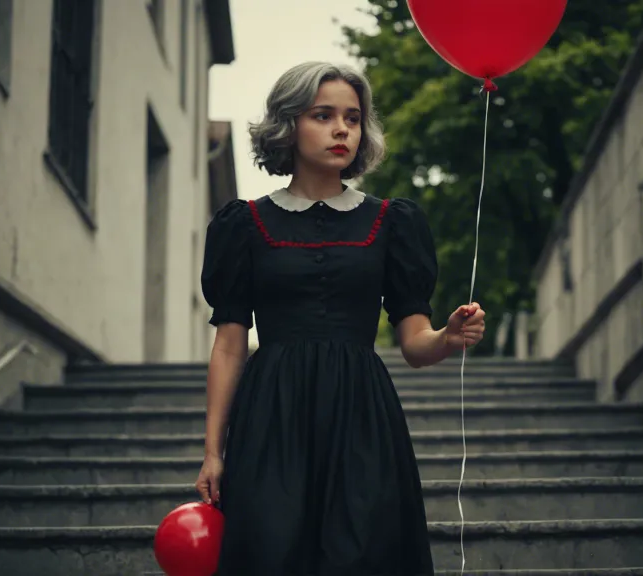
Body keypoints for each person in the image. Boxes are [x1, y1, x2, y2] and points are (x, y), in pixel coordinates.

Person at [195, 61, 487, 576]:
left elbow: (415, 343)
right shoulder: (245, 224)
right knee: (270, 551)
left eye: (352, 118)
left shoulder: (392, 221)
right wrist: (213, 452)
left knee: (361, 555)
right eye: (323, 115)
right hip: (271, 416)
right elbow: (229, 345)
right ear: (289, 124)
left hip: (361, 414)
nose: (341, 130)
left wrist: (447, 337)